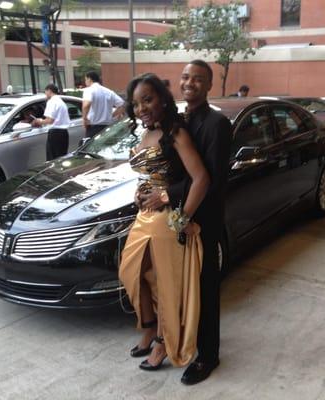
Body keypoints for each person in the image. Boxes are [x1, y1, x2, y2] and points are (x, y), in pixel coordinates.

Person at [139, 60, 232, 385]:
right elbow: (172, 168)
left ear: (209, 85)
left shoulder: (217, 124)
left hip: (202, 219)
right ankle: (173, 339)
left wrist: (171, 201)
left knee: (205, 289)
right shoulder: (178, 120)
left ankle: (208, 355)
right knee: (178, 286)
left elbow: (211, 179)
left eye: (198, 79)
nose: (190, 83)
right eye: (185, 77)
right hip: (175, 217)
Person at [118, 73, 210, 371]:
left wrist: (182, 215)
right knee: (132, 272)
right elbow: (151, 173)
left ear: (162, 99)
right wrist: (141, 189)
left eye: (147, 99)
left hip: (166, 220)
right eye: (136, 104)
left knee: (165, 283)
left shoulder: (175, 133)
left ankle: (162, 342)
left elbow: (200, 179)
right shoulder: (145, 133)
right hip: (143, 216)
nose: (141, 108)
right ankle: (149, 326)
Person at [31, 84, 70, 161]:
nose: (45, 94)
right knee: (61, 158)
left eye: (45, 92)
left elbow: (50, 120)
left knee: (53, 159)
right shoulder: (61, 102)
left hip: (55, 133)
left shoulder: (52, 101)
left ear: (49, 91)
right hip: (64, 133)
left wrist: (39, 121)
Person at [82, 71, 125, 138]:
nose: (85, 82)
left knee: (91, 147)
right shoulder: (108, 91)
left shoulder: (89, 90)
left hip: (94, 127)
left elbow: (86, 105)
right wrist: (111, 116)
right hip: (107, 127)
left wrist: (85, 119)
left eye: (85, 79)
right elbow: (122, 105)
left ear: (89, 79)